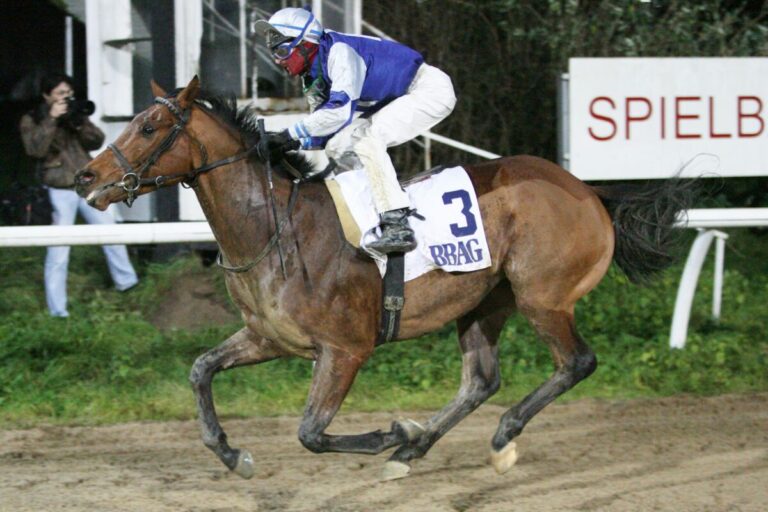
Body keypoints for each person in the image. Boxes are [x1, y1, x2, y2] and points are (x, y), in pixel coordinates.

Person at [255, 7, 457, 253]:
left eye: (282, 51)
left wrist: (287, 135)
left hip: (428, 90)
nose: (277, 60)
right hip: (403, 96)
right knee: (337, 145)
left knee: (367, 139)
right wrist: (292, 143)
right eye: (274, 52)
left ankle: (397, 223)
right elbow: (325, 130)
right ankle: (371, 212)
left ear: (305, 44)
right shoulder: (313, 76)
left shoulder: (339, 53)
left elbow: (338, 113)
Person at [19, 73, 139, 318]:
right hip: (58, 189)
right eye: (60, 94)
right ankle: (58, 310)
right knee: (58, 250)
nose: (66, 97)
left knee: (112, 235)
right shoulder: (32, 118)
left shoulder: (74, 114)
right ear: (47, 96)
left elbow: (97, 141)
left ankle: (128, 286)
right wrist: (51, 120)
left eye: (68, 93)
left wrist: (78, 121)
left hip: (87, 186)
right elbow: (35, 149)